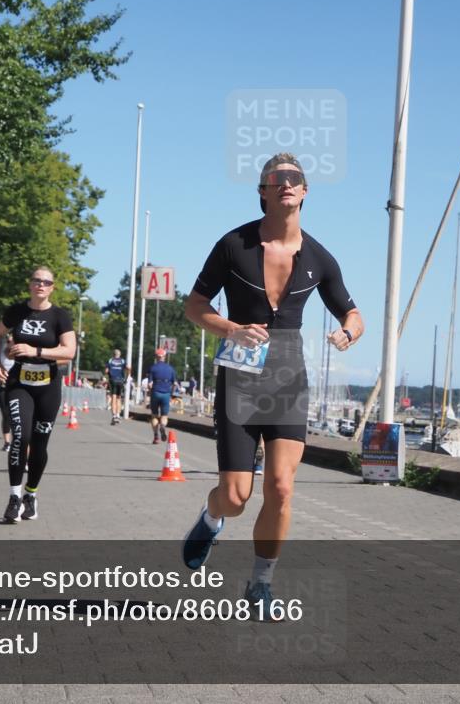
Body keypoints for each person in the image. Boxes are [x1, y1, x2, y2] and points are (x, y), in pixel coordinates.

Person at [181, 152, 363, 613]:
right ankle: (211, 516)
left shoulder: (319, 257)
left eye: (294, 178)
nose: (285, 183)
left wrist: (347, 332)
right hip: (240, 378)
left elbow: (353, 313)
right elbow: (195, 305)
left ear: (304, 192)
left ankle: (261, 583)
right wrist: (230, 328)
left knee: (281, 487)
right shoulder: (233, 245)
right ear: (262, 192)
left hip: (287, 380)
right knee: (237, 497)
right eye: (275, 178)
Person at [0, 266, 76, 523]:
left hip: (48, 385)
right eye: (36, 280)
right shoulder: (17, 311)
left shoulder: (60, 316)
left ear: (52, 288)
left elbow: (69, 351)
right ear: (30, 284)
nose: (41, 285)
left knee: (39, 444)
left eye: (46, 282)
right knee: (20, 436)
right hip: (20, 382)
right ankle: (14, 498)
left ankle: (31, 494)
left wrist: (35, 351)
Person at [147, 347, 177, 444]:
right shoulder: (171, 369)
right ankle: (163, 426)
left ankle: (156, 436)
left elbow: (149, 384)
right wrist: (171, 394)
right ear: (164, 356)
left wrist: (149, 393)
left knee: (154, 416)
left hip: (155, 392)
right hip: (166, 394)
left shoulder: (152, 368)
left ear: (156, 357)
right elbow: (175, 384)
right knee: (164, 415)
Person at [106, 349, 127, 424]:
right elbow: (127, 368)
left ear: (113, 354)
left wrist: (110, 373)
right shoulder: (123, 361)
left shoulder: (110, 360)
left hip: (113, 380)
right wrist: (125, 377)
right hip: (120, 380)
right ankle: (118, 415)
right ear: (120, 354)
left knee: (113, 397)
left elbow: (106, 370)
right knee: (119, 398)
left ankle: (114, 416)